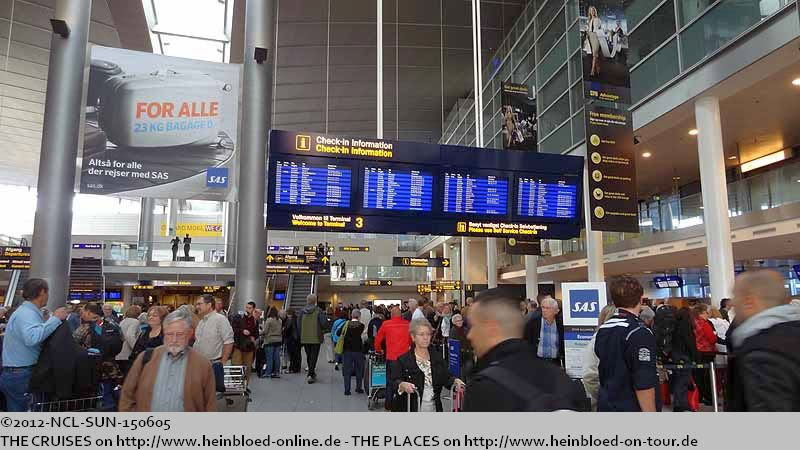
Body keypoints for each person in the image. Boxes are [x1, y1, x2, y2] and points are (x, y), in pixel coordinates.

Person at [463, 288, 586, 411]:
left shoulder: (484, 389)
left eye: (473, 326)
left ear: (491, 329)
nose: (469, 335)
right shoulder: (564, 381)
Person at [727, 270, 800, 411]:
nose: (733, 303)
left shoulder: (761, 353)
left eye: (735, 296)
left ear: (749, 301)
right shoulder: (791, 334)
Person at [119, 310, 216, 412]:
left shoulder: (203, 365)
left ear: (190, 334)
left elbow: (210, 404)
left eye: (180, 334)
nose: (174, 340)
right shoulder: (146, 358)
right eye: (169, 334)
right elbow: (127, 395)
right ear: (164, 333)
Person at [0, 279, 67, 411]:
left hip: (16, 373)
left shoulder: (25, 312)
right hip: (22, 374)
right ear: (42, 292)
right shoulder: (27, 313)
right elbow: (32, 338)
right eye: (47, 292)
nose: (48, 296)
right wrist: (55, 319)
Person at [595, 275, 659, 412]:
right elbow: (643, 381)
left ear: (614, 301)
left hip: (607, 404)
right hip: (630, 406)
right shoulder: (639, 332)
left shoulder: (603, 329)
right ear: (641, 299)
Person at [393, 318, 464, 412]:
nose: (426, 337)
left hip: (434, 408)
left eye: (428, 334)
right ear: (413, 337)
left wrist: (455, 381)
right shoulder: (403, 360)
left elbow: (446, 378)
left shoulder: (437, 357)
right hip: (412, 408)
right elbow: (395, 381)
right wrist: (402, 384)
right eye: (421, 334)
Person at [73, 303, 124, 411]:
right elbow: (122, 339)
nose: (82, 314)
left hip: (91, 369)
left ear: (89, 312)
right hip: (111, 368)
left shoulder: (86, 327)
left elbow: (73, 342)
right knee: (108, 396)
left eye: (83, 312)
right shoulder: (113, 324)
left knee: (93, 399)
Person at [194, 294, 234, 392]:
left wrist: (222, 362)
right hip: (200, 365)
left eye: (199, 304)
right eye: (197, 304)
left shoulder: (220, 319)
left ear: (209, 305)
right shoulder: (201, 322)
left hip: (214, 365)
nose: (197, 307)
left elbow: (228, 341)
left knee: (213, 395)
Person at [581, 304, 617, 411]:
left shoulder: (617, 340)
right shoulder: (596, 342)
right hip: (603, 404)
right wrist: (604, 396)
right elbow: (589, 376)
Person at [374, 307, 411, 410]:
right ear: (401, 315)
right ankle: (403, 404)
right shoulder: (408, 324)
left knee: (390, 382)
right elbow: (411, 340)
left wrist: (379, 350)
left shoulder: (386, 324)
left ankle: (388, 404)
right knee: (404, 381)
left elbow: (378, 339)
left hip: (391, 358)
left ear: (391, 315)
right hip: (405, 359)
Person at [670, 307, 698, 412]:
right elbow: (690, 342)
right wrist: (696, 355)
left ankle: (681, 403)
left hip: (676, 355)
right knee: (683, 381)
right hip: (684, 355)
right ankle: (680, 404)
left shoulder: (675, 324)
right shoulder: (686, 326)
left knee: (679, 380)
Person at [524, 297, 564, 366]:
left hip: (555, 363)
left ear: (556, 311)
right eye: (543, 307)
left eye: (548, 308)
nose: (544, 310)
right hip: (537, 362)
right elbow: (527, 342)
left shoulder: (560, 324)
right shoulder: (533, 323)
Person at [298, 294, 327, 384]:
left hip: (305, 337)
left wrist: (301, 334)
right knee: (314, 356)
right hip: (316, 337)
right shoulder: (319, 311)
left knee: (309, 355)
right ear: (315, 301)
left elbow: (299, 324)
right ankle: (311, 374)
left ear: (307, 300)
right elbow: (323, 323)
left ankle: (312, 372)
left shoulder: (302, 311)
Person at [692, 304, 717, 405]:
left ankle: (699, 396)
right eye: (706, 312)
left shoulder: (692, 322)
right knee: (708, 377)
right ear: (701, 313)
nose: (708, 315)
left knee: (698, 376)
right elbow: (712, 338)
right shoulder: (704, 324)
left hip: (696, 352)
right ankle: (709, 398)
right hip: (707, 352)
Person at [340, 309, 366, 395]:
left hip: (347, 350)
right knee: (359, 369)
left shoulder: (346, 324)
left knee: (347, 370)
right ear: (359, 316)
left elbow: (338, 333)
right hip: (358, 350)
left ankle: (347, 390)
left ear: (351, 315)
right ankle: (358, 388)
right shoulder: (361, 326)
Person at [231, 301, 259, 379]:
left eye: (250, 308)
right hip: (239, 345)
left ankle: (245, 383)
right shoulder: (239, 317)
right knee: (236, 365)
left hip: (249, 346)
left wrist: (253, 337)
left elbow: (256, 333)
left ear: (253, 309)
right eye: (246, 307)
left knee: (247, 367)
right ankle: (236, 382)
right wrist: (242, 331)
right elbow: (233, 328)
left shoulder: (254, 320)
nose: (247, 309)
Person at [116, 305, 142, 375]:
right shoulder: (135, 322)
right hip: (128, 354)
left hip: (119, 353)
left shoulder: (123, 321)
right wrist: (136, 349)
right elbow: (129, 335)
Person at [260, 307, 283, 378]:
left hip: (270, 340)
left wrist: (259, 332)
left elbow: (265, 331)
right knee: (277, 357)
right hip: (278, 340)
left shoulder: (269, 320)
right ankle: (276, 372)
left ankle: (268, 373)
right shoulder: (280, 320)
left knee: (269, 358)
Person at [586, 6, 602, 77]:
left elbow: (600, 28)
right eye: (591, 11)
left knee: (595, 52)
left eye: (593, 10)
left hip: (596, 36)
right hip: (591, 36)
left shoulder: (598, 19)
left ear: (595, 11)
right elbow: (588, 29)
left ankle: (592, 70)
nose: (592, 12)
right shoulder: (589, 20)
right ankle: (598, 68)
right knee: (595, 54)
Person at [284, 308, 302, 373]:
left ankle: (292, 368)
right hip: (298, 339)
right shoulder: (297, 319)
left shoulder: (290, 320)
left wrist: (284, 331)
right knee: (298, 354)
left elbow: (287, 329)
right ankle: (297, 368)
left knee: (292, 355)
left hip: (291, 339)